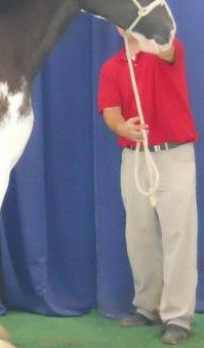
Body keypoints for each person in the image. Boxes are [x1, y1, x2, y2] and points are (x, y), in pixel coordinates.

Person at [98, 28, 198, 345]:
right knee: (139, 235)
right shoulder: (111, 68)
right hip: (135, 158)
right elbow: (111, 112)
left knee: (179, 235)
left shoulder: (166, 51)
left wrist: (155, 42)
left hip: (174, 154)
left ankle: (178, 317)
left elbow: (169, 51)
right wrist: (123, 126)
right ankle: (148, 307)